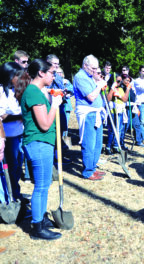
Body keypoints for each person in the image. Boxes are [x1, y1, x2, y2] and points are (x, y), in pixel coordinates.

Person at [15, 58, 63, 240]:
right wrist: (56, 105)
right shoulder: (34, 93)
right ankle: (37, 227)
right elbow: (44, 124)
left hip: (42, 144)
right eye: (51, 72)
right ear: (41, 73)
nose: (54, 75)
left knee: (44, 185)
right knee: (41, 186)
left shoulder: (36, 91)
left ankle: (40, 219)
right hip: (38, 143)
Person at [73, 55, 107, 180]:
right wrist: (99, 85)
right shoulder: (80, 77)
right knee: (89, 142)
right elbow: (91, 97)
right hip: (87, 114)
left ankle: (93, 167)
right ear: (85, 65)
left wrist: (98, 81)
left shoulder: (90, 76)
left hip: (96, 113)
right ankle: (87, 171)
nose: (95, 71)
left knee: (98, 143)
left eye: (97, 68)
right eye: (93, 68)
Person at [0, 62, 28, 204]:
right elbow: (2, 116)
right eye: (17, 75)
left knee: (17, 164)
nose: (19, 78)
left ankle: (16, 191)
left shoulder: (12, 90)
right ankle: (12, 195)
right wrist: (20, 116)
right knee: (11, 167)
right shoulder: (1, 92)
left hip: (18, 133)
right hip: (8, 136)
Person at [106, 74, 133, 152]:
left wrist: (127, 89)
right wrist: (112, 88)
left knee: (119, 129)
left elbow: (125, 99)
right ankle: (108, 146)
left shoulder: (120, 89)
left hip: (120, 111)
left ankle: (116, 146)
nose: (119, 83)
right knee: (112, 130)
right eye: (118, 81)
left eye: (120, 81)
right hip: (113, 111)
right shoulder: (109, 87)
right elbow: (108, 99)